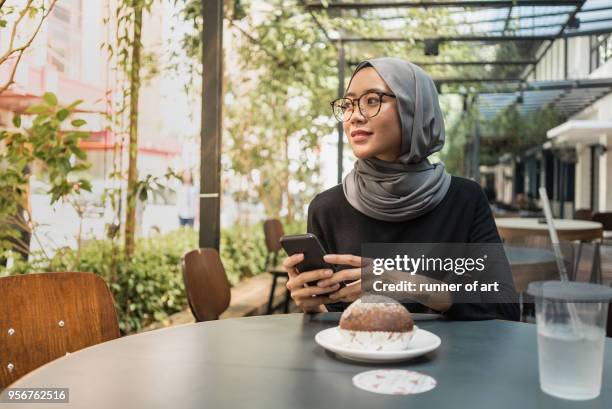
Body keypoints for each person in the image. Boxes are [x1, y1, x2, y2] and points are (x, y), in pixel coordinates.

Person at [282, 57, 519, 321]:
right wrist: (313, 308)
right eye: (348, 104)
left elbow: (505, 307)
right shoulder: (327, 208)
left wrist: (406, 284)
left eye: (372, 100)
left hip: (450, 358)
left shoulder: (465, 199)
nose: (355, 116)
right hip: (357, 358)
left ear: (414, 109)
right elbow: (330, 320)